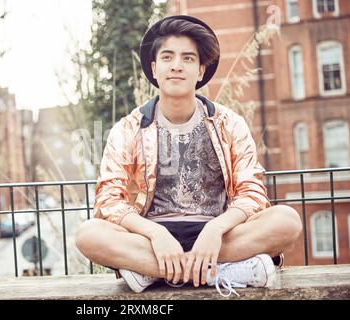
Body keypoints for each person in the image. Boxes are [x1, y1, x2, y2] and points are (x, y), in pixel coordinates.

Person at [75, 15, 303, 297]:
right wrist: (156, 234)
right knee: (88, 234)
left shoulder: (229, 123)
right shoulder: (129, 128)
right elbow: (108, 199)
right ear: (155, 68)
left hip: (219, 236)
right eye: (168, 57)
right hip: (151, 238)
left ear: (201, 70)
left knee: (287, 220)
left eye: (187, 58)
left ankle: (154, 271)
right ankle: (219, 271)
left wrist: (216, 230)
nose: (177, 66)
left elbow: (253, 193)